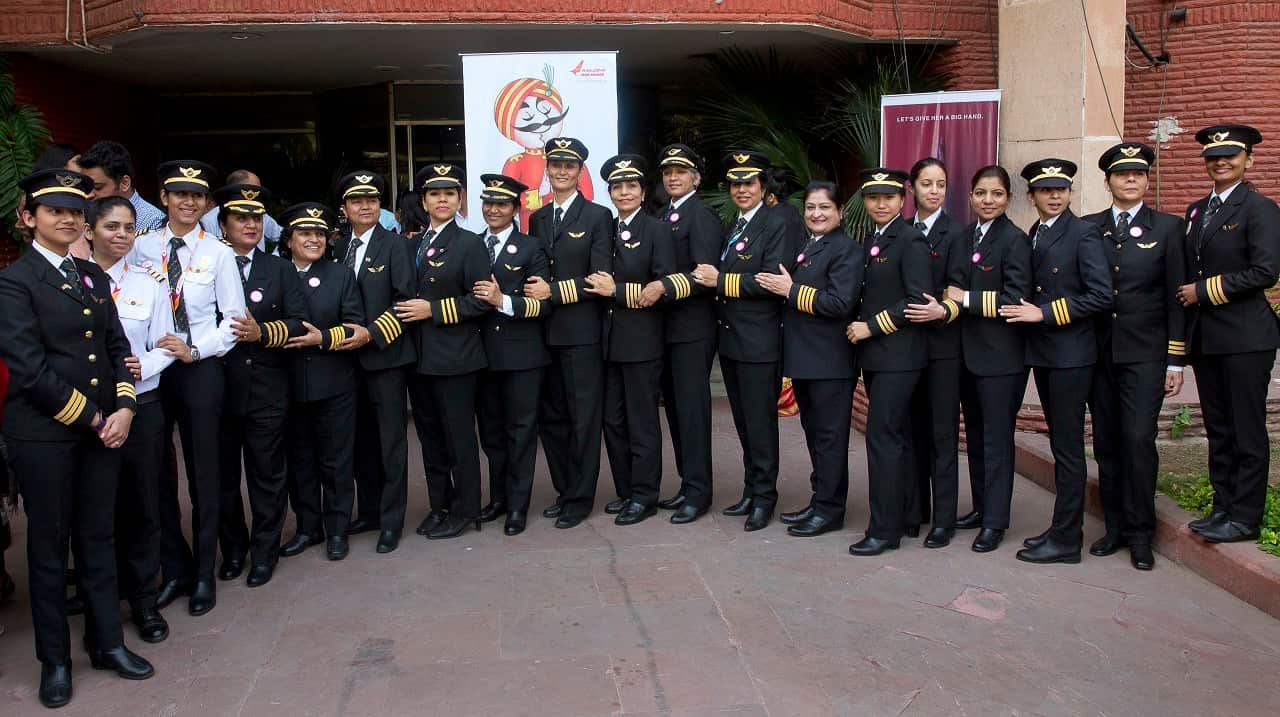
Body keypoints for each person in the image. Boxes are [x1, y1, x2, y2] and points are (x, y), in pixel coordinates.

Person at [0, 168, 153, 708]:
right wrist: (94, 417)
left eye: (75, 211)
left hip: (103, 431)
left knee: (98, 538)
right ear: (28, 219)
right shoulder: (14, 283)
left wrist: (127, 408)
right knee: (47, 549)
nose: (68, 219)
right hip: (46, 435)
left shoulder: (89, 276)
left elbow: (116, 348)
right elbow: (29, 368)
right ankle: (55, 661)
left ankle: (107, 642)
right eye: (54, 211)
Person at [131, 160, 246, 616]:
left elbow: (234, 321)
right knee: (156, 472)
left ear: (207, 203)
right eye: (180, 193)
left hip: (200, 368)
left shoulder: (218, 252)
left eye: (197, 196)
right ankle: (173, 565)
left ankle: (203, 571)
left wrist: (195, 350)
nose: (188, 202)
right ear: (163, 197)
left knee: (205, 472)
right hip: (152, 373)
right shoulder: (139, 247)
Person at [1080, 142, 1186, 570]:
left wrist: (1175, 359)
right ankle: (1116, 527)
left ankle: (1142, 533)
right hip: (1098, 354)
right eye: (1121, 174)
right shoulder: (1089, 228)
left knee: (1138, 440)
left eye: (1138, 174)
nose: (1130, 180)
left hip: (1145, 354)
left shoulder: (1169, 228)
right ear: (1107, 182)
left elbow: (1178, 298)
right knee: (1106, 442)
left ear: (1146, 180)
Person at [1177, 125, 1280, 544]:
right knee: (1218, 428)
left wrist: (1201, 292)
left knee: (1246, 430)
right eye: (1212, 157)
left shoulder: (1260, 208)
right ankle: (1223, 506)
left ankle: (1245, 516)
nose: (1220, 162)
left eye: (1230, 156)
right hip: (1208, 339)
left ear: (1248, 160)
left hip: (1246, 338)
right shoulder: (1197, 211)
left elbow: (1265, 272)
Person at [1006, 159, 1112, 565]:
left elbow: (1102, 296)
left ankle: (1068, 539)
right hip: (1048, 355)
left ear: (1069, 193)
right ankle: (1060, 526)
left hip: (1071, 355)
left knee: (1068, 448)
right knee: (1059, 444)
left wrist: (1045, 313)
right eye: (1045, 190)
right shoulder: (1037, 232)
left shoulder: (1083, 233)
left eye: (1061, 190)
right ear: (1031, 196)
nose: (1054, 196)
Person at [88, 196, 180, 644]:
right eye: (111, 227)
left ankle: (144, 601)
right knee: (95, 513)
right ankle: (99, 604)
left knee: (144, 505)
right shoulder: (76, 283)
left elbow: (169, 341)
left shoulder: (149, 283)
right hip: (89, 414)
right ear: (90, 231)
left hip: (143, 408)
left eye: (128, 227)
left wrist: (146, 365)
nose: (121, 235)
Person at [214, 182, 308, 588]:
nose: (250, 225)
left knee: (267, 473)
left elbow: (297, 320)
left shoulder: (280, 268)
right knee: (220, 476)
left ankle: (264, 551)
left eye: (256, 218)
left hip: (267, 385)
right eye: (240, 218)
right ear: (223, 224)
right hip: (217, 386)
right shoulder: (207, 264)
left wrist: (262, 332)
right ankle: (233, 550)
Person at [693, 150, 788, 531]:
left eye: (749, 182)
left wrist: (720, 280)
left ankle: (765, 496)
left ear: (764, 187)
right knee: (745, 422)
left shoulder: (776, 222)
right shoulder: (738, 224)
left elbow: (770, 281)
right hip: (732, 340)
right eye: (736, 183)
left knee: (761, 423)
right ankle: (751, 489)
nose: (742, 189)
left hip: (759, 341)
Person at [761, 181, 861, 537]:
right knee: (816, 435)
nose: (816, 214)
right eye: (810, 208)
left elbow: (839, 303)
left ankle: (830, 510)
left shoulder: (846, 249)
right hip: (807, 360)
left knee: (830, 439)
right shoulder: (811, 245)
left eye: (824, 208)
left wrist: (791, 290)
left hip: (830, 361)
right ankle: (821, 500)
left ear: (840, 211)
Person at [399, 163, 492, 541]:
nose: (442, 200)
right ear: (423, 201)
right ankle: (440, 506)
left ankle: (467, 510)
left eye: (449, 194)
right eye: (435, 194)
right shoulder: (410, 244)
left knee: (459, 438)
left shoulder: (470, 243)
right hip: (418, 358)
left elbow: (480, 301)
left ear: (459, 200)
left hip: (456, 358)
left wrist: (433, 310)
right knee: (431, 439)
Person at [524, 137, 613, 528]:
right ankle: (564, 489)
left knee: (583, 419)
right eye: (555, 163)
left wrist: (553, 291)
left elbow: (599, 279)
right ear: (547, 167)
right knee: (553, 419)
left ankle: (581, 496)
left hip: (581, 333)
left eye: (569, 165)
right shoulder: (539, 218)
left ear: (580, 172)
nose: (561, 170)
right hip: (542, 334)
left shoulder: (597, 216)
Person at [943, 166, 1032, 553]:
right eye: (981, 193)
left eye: (996, 194)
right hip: (964, 354)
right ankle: (981, 507)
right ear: (971, 197)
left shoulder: (1015, 241)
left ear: (1007, 198)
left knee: (997, 441)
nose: (988, 201)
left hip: (1001, 359)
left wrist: (964, 300)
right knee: (975, 438)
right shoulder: (962, 237)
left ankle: (996, 521)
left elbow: (1015, 300)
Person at [585, 155, 675, 525]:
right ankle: (626, 491)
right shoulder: (606, 228)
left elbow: (664, 285)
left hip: (641, 342)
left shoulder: (656, 230)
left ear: (642, 192)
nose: (624, 192)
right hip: (608, 342)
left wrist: (617, 290)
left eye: (631, 186)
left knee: (641, 423)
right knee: (613, 421)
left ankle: (645, 495)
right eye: (617, 187)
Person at [846, 168, 931, 556]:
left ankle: (884, 529)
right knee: (898, 436)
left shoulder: (910, 239)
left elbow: (917, 300)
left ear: (903, 199)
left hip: (899, 354)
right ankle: (908, 515)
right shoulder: (872, 238)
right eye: (873, 197)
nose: (881, 204)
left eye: (889, 197)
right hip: (881, 357)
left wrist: (869, 328)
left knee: (882, 438)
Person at [332, 171, 417, 549]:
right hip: (345, 364)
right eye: (356, 201)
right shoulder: (335, 248)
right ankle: (367, 510)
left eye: (371, 199)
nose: (365, 206)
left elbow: (405, 301)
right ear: (345, 208)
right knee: (359, 442)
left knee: (390, 442)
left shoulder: (395, 246)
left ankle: (391, 519)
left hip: (385, 357)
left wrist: (372, 333)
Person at [279, 202, 364, 561]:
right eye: (304, 233)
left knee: (336, 461)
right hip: (289, 383)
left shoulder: (340, 275)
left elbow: (356, 325)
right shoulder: (277, 273)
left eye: (319, 234)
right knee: (300, 461)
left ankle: (337, 529)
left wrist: (323, 337)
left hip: (334, 382)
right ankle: (307, 528)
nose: (313, 240)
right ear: (289, 240)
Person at [471, 174, 552, 536]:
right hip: (480, 355)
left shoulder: (532, 248)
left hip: (522, 356)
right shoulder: (471, 245)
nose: (493, 210)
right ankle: (499, 497)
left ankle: (518, 506)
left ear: (515, 209)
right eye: (488, 203)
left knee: (521, 433)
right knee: (491, 433)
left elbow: (542, 306)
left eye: (501, 204)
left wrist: (501, 300)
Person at [650, 143, 722, 523]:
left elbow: (705, 275)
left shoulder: (702, 215)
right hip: (666, 328)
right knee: (677, 411)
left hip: (692, 327)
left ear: (696, 177)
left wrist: (664, 287)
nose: (673, 177)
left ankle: (699, 491)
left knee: (692, 411)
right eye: (667, 172)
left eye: (681, 171)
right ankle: (686, 483)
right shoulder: (663, 215)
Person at [902, 158, 963, 546]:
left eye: (941, 184)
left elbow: (958, 286)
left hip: (943, 347)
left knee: (942, 435)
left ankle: (943, 518)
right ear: (912, 189)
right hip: (905, 347)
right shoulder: (901, 232)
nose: (934, 190)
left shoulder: (957, 233)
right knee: (910, 432)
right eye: (926, 184)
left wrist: (945, 307)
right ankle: (913, 510)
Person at [73, 140, 166, 230]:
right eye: (86, 187)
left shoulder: (153, 222)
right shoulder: (82, 214)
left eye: (98, 187)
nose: (88, 195)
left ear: (124, 183)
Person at [198, 169, 283, 248]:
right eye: (241, 219)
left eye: (256, 219)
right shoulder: (208, 221)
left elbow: (284, 236)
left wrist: (275, 259)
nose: (252, 225)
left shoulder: (262, 215)